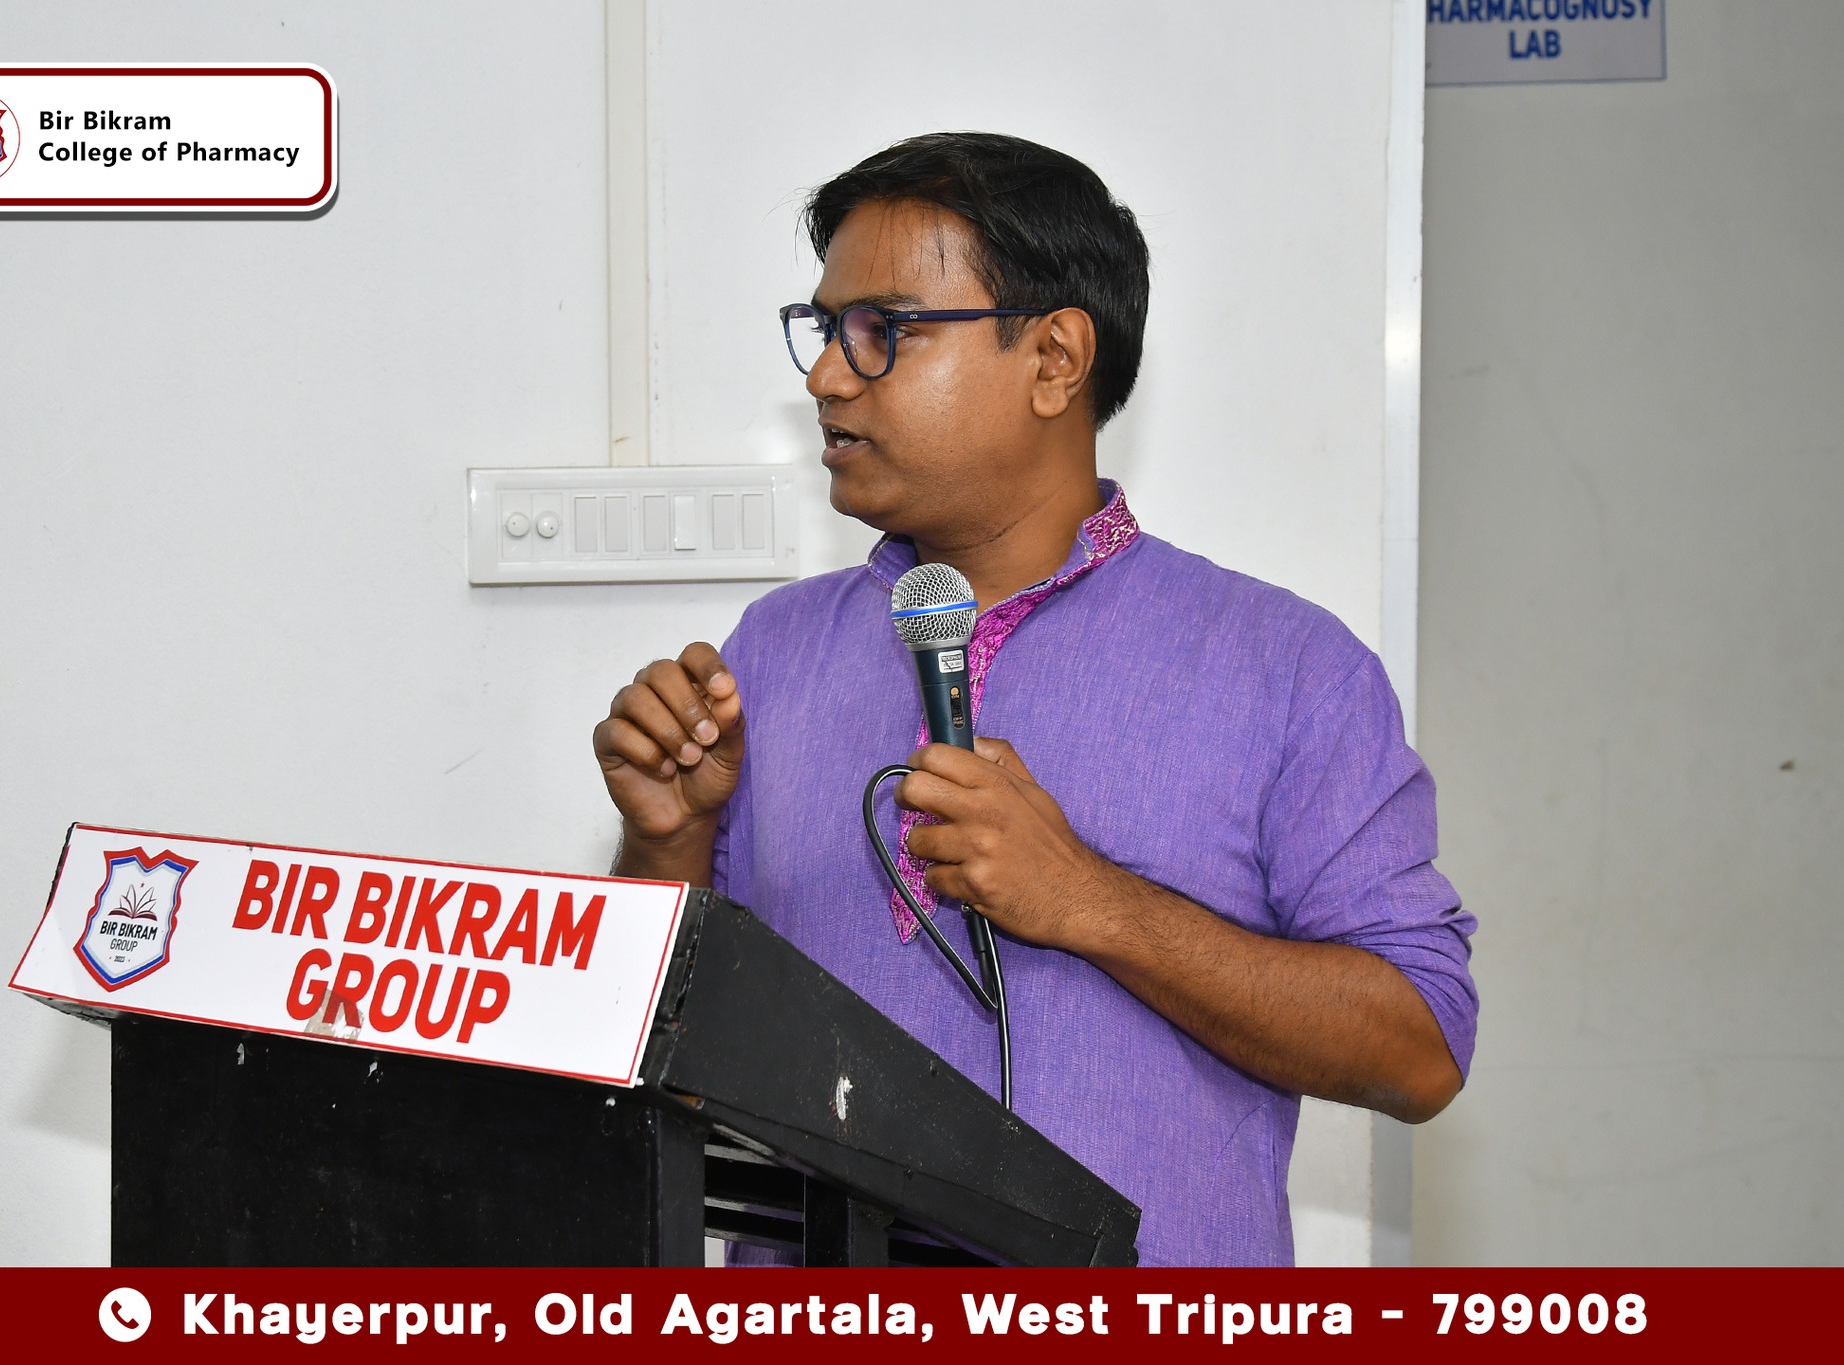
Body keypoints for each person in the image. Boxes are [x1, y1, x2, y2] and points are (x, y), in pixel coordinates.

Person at [591, 132, 1477, 1267]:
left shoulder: (1285, 667)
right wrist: (667, 841)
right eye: (823, 328)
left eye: (883, 329)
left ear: (1055, 358)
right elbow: (648, 1038)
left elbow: (1418, 1049)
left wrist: (1089, 901)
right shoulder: (771, 651)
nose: (825, 377)